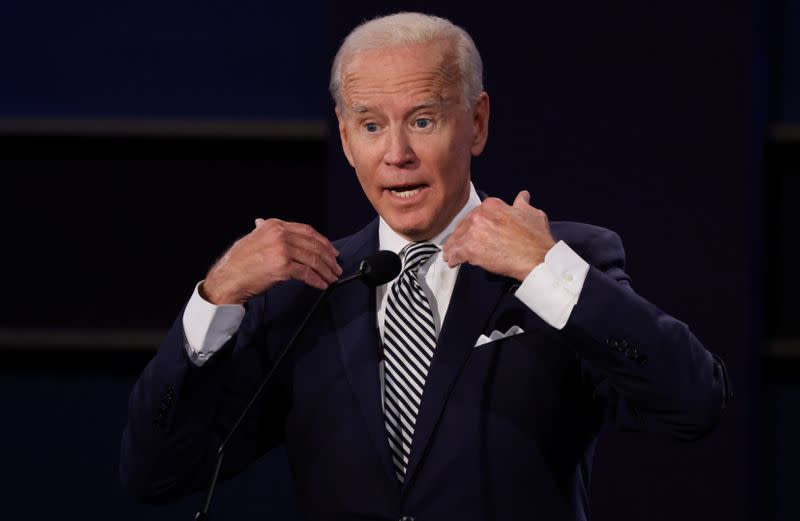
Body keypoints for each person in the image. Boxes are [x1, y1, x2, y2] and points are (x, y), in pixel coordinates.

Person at [120, 12, 731, 521]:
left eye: (422, 120)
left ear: (477, 123)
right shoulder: (309, 291)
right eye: (370, 125)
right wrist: (215, 296)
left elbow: (693, 404)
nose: (397, 156)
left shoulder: (564, 262)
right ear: (345, 137)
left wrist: (547, 272)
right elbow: (157, 473)